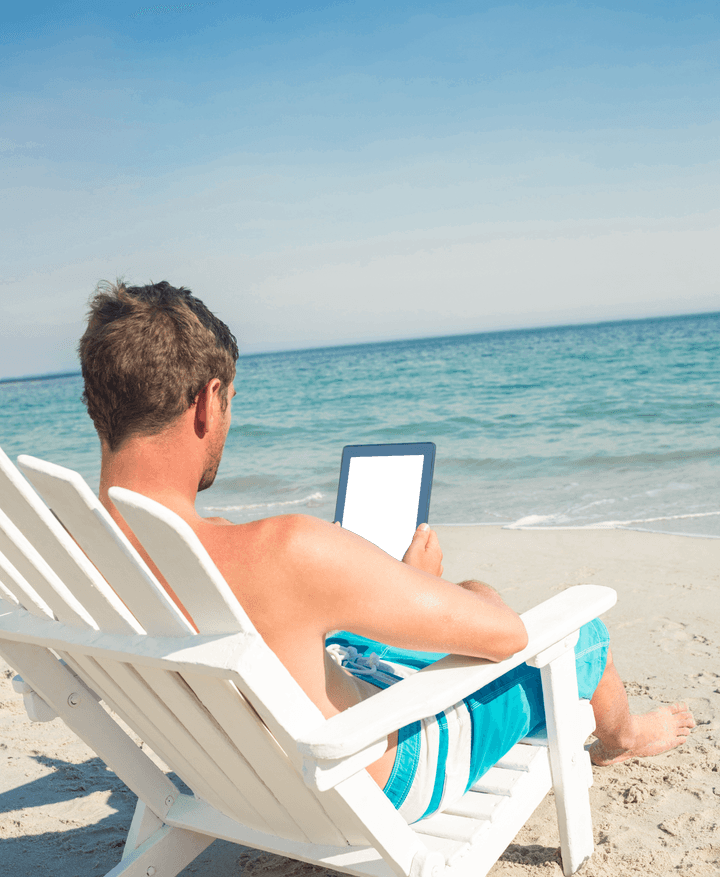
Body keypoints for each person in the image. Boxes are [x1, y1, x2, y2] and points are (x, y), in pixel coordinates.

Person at [79, 280, 695, 823]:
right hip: (367, 782)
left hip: (227, 771)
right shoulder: (284, 550)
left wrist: (386, 581)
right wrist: (443, 591)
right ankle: (624, 738)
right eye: (231, 403)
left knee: (360, 633)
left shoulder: (68, 551)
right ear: (208, 402)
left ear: (96, 403)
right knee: (568, 632)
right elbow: (506, 637)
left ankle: (410, 598)